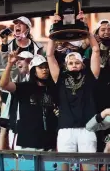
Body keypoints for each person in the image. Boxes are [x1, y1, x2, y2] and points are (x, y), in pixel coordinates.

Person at [46, 11, 100, 155]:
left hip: (87, 128)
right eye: (71, 63)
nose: (74, 64)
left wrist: (85, 27)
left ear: (82, 64)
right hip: (65, 129)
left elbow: (95, 50)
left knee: (89, 165)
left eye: (77, 62)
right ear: (66, 65)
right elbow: (49, 55)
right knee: (65, 165)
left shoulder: (89, 75)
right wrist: (54, 26)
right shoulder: (60, 77)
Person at [0, 53, 58, 151]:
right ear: (33, 70)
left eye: (46, 67)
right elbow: (4, 84)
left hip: (48, 143)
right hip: (27, 143)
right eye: (41, 67)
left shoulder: (53, 89)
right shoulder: (24, 87)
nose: (45, 70)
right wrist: (9, 64)